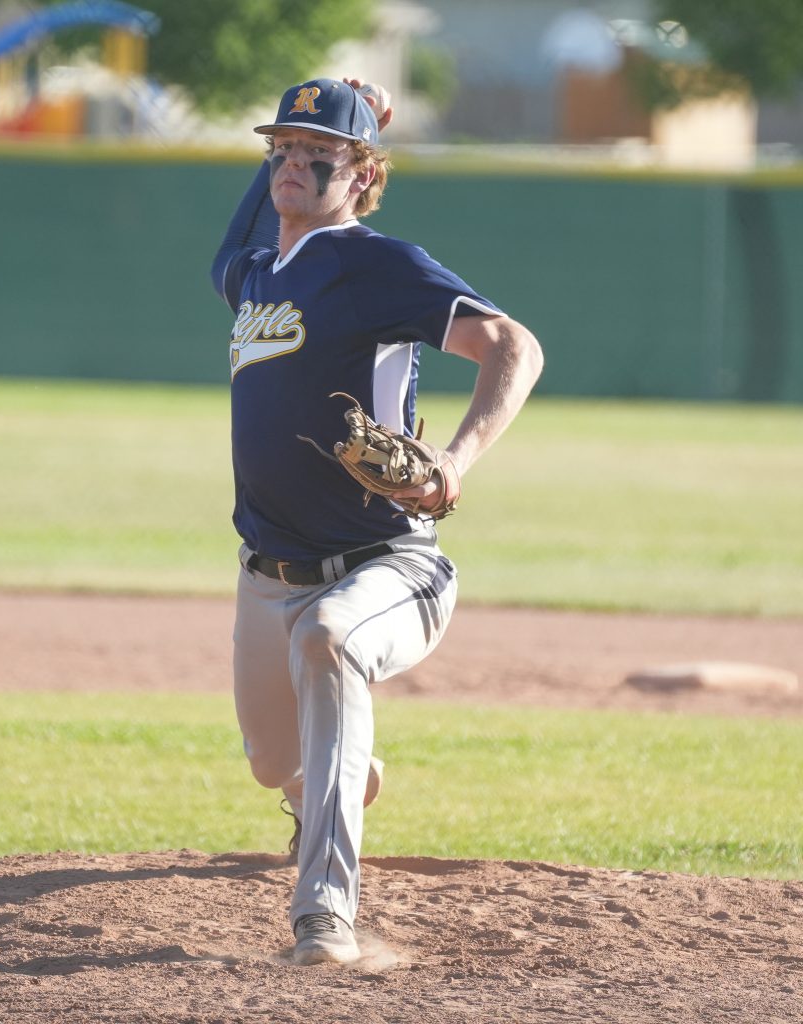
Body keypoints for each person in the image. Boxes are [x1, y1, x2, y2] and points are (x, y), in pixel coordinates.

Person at [210, 76, 543, 966]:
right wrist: (326, 126)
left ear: (363, 175)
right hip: (265, 572)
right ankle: (337, 772)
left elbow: (513, 345)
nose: (294, 164)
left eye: (320, 154)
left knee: (329, 639)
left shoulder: (376, 265)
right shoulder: (251, 273)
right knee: (270, 761)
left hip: (386, 563)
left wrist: (454, 462)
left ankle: (324, 913)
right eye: (283, 149)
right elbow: (257, 212)